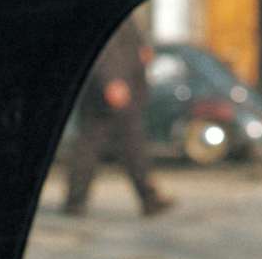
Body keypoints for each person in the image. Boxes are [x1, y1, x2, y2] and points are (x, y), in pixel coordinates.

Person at [61, 17, 176, 217]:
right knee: (96, 145)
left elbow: (131, 40)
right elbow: (104, 48)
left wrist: (142, 50)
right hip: (111, 90)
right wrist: (111, 81)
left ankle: (147, 197)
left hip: (123, 87)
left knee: (130, 145)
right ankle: (76, 200)